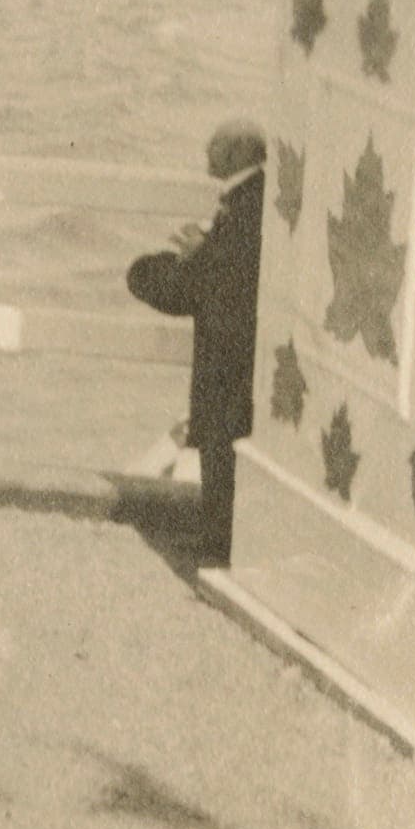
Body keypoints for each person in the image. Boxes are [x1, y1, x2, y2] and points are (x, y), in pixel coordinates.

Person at [128, 120, 269, 565]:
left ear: (232, 156)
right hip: (243, 341)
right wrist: (205, 248)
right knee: (225, 439)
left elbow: (209, 280)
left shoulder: (241, 201)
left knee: (219, 441)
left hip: (226, 345)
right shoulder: (255, 196)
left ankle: (217, 541)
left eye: (213, 148)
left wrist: (156, 269)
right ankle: (219, 536)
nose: (206, 155)